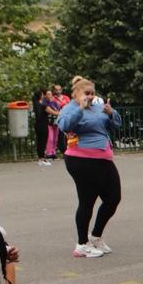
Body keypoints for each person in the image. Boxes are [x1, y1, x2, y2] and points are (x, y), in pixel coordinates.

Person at [56, 78, 123, 257]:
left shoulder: (97, 108)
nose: (91, 97)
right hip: (81, 160)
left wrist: (111, 113)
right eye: (87, 93)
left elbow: (115, 125)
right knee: (87, 201)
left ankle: (95, 236)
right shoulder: (70, 108)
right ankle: (81, 244)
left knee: (113, 198)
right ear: (76, 94)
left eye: (93, 93)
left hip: (103, 158)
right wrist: (80, 109)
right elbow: (64, 126)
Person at [31, 89, 50, 163]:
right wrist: (60, 113)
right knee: (43, 141)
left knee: (39, 141)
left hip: (37, 125)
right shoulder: (43, 106)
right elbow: (53, 112)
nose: (43, 95)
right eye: (42, 94)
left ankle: (40, 157)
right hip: (43, 125)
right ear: (40, 96)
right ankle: (42, 158)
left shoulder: (36, 105)